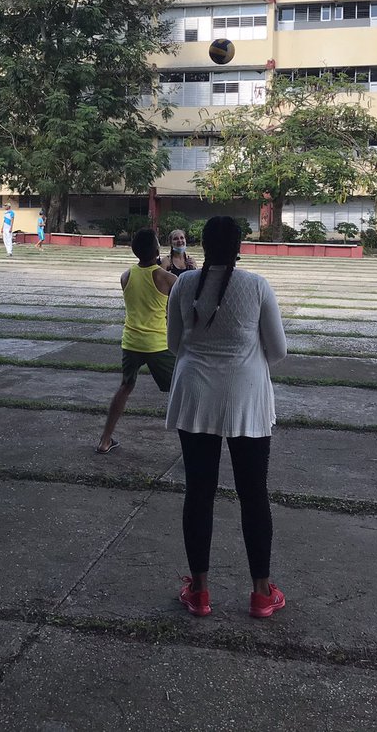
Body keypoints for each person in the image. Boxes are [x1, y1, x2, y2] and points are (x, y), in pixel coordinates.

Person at [167, 216, 288, 619]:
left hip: (195, 397)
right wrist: (246, 364)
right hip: (246, 399)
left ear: (202, 244)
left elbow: (174, 344)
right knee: (254, 495)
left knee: (198, 494)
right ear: (240, 246)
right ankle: (260, 593)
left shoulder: (183, 283)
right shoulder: (256, 285)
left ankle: (199, 592)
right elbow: (278, 350)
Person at [95, 228, 177, 455]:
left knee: (125, 386)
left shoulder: (126, 276)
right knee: (180, 389)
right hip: (157, 344)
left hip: (131, 342)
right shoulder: (168, 278)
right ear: (157, 249)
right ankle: (192, 447)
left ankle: (104, 440)